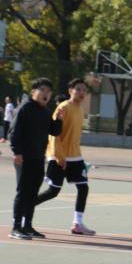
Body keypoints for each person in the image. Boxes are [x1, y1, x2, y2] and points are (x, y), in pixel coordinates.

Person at [34, 78, 96, 235]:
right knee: (53, 191)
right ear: (70, 91)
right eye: (78, 89)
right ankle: (26, 207)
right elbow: (54, 134)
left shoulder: (80, 110)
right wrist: (59, 156)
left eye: (84, 90)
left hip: (75, 156)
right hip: (59, 156)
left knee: (83, 187)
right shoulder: (63, 107)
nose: (82, 92)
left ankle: (77, 223)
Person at [9, 79, 63, 240]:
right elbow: (14, 132)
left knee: (33, 193)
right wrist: (17, 152)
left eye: (49, 91)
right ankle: (16, 227)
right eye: (43, 90)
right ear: (33, 91)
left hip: (38, 158)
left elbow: (54, 131)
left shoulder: (46, 111)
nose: (46, 94)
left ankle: (28, 225)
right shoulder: (25, 108)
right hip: (24, 158)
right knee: (23, 191)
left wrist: (59, 119)